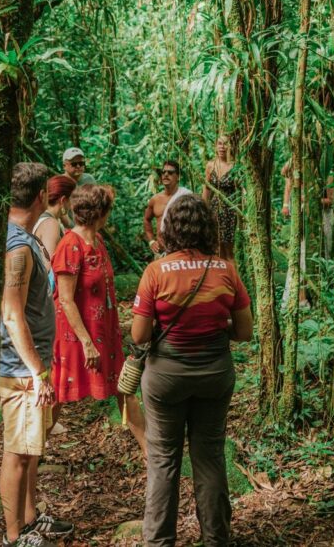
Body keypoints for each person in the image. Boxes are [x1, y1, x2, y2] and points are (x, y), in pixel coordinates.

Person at [131, 194, 253, 547]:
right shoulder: (226, 270)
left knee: (163, 459)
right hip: (214, 372)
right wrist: (217, 328)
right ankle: (216, 539)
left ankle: (158, 541)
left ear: (168, 229)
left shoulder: (156, 272)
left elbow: (139, 335)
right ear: (208, 229)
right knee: (210, 455)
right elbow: (245, 332)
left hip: (166, 376)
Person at [0, 163, 74, 547]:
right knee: (17, 452)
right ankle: (14, 537)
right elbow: (12, 314)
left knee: (30, 450)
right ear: (41, 196)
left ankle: (29, 519)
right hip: (20, 369)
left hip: (29, 366)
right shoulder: (16, 247)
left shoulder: (20, 238)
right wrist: (37, 372)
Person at [51, 184, 147, 454]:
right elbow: (66, 299)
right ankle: (31, 455)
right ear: (99, 213)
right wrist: (86, 342)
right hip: (76, 335)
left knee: (123, 387)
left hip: (104, 330)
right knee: (58, 395)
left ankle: (151, 454)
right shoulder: (70, 245)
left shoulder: (98, 240)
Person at [143, 160, 193, 256]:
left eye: (170, 172)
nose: (166, 175)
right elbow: (146, 219)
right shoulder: (155, 199)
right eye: (163, 172)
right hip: (161, 252)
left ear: (178, 177)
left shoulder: (185, 197)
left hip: (182, 251)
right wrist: (151, 241)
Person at [202, 135, 238, 261]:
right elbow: (207, 189)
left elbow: (241, 190)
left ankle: (232, 278)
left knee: (228, 250)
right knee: (216, 248)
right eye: (220, 143)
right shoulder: (210, 165)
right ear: (216, 146)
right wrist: (204, 209)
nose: (222, 147)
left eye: (225, 144)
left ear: (231, 146)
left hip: (230, 210)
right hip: (214, 209)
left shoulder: (235, 166)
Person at [34, 175, 78, 259]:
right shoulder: (50, 224)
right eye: (73, 199)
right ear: (63, 200)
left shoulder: (44, 217)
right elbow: (50, 265)